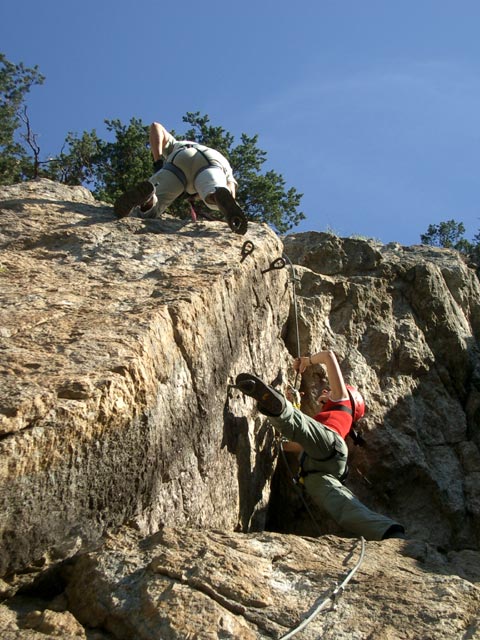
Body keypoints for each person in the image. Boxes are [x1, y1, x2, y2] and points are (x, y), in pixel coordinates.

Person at [234, 350, 406, 541]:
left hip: (330, 446)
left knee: (298, 423)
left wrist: (307, 361)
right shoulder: (332, 420)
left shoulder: (342, 399)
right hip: (320, 468)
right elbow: (303, 442)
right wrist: (280, 446)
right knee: (341, 504)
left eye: (329, 390)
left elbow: (329, 356)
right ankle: (388, 531)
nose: (326, 390)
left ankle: (279, 408)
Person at [113, 122, 247, 235]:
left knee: (152, 209)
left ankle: (149, 199)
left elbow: (155, 126)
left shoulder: (176, 143)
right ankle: (214, 196)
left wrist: (158, 161)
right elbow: (231, 189)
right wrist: (227, 198)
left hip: (180, 157)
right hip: (212, 161)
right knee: (215, 194)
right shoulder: (225, 163)